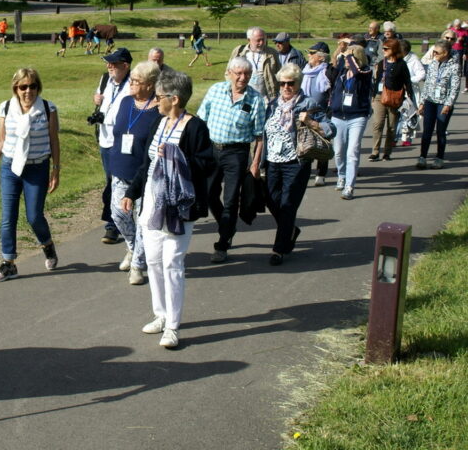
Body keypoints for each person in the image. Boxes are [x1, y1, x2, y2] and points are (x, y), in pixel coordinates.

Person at [123, 70, 214, 349]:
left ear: (174, 99)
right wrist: (131, 193)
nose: (156, 101)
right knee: (152, 260)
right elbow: (146, 164)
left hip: (178, 205)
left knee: (172, 262)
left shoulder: (196, 127)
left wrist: (176, 157)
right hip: (152, 201)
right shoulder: (158, 123)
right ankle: (160, 315)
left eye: (160, 97)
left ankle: (173, 326)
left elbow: (207, 165)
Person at [0, 68, 61, 282]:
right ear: (16, 88)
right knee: (8, 217)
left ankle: (48, 245)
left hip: (37, 167)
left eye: (33, 86)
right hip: (10, 168)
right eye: (23, 86)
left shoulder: (47, 108)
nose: (28, 91)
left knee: (34, 216)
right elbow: (1, 140)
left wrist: (56, 169)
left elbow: (54, 140)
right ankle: (8, 263)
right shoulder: (6, 108)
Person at [262, 64, 335, 265]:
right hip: (272, 161)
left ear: (298, 83)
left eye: (290, 83)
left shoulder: (308, 103)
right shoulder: (272, 104)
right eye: (282, 83)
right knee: (271, 199)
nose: (286, 87)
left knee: (288, 205)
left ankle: (279, 249)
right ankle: (291, 230)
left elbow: (331, 129)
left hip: (297, 161)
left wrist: (311, 122)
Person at [195, 57, 265, 263]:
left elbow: (260, 135)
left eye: (247, 74)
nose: (243, 78)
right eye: (239, 74)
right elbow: (201, 120)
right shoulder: (216, 90)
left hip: (237, 153)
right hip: (212, 149)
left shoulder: (256, 100)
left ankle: (223, 243)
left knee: (231, 199)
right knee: (208, 194)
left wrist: (255, 164)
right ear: (229, 73)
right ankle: (226, 225)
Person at [108, 61, 161, 283]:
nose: (131, 83)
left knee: (142, 221)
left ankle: (138, 266)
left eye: (137, 81)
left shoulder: (158, 110)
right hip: (120, 168)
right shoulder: (126, 102)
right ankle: (133, 248)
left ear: (150, 85)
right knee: (118, 214)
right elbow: (118, 132)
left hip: (144, 174)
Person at [94, 48, 134, 244]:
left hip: (124, 143)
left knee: (117, 182)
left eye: (113, 63)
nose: (109, 66)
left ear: (125, 66)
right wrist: (97, 101)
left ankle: (113, 225)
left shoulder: (134, 84)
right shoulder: (105, 80)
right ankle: (115, 222)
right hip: (105, 140)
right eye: (108, 63)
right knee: (111, 181)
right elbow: (100, 100)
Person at [330, 42, 372, 200]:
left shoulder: (365, 73)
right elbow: (335, 63)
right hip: (338, 116)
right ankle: (341, 175)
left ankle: (349, 186)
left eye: (350, 57)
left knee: (352, 151)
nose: (346, 60)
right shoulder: (342, 71)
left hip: (357, 117)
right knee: (339, 151)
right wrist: (339, 50)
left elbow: (357, 70)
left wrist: (349, 53)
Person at [368, 39, 416, 162]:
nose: (383, 51)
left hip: (394, 97)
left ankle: (387, 152)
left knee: (391, 127)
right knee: (377, 124)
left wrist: (410, 98)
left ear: (393, 50)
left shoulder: (401, 64)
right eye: (383, 48)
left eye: (386, 49)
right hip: (379, 97)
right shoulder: (381, 63)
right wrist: (372, 95)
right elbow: (375, 80)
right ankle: (375, 151)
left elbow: (407, 81)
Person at [417, 40, 459, 169]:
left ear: (445, 53)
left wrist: (448, 104)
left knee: (440, 131)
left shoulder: (454, 66)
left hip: (443, 102)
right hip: (430, 101)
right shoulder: (433, 63)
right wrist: (422, 102)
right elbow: (427, 83)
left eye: (437, 52)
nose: (434, 54)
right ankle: (422, 157)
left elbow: (455, 87)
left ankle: (439, 158)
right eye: (433, 51)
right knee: (427, 131)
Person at [302, 42, 334, 186]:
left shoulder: (328, 72)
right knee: (305, 143)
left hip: (322, 114)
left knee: (322, 143)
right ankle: (305, 171)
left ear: (321, 57)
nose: (309, 55)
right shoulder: (305, 71)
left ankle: (321, 173)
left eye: (312, 53)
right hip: (305, 113)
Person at [229, 27, 282, 102]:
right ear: (249, 40)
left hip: (266, 98)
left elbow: (280, 75)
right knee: (245, 112)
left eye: (263, 40)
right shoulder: (239, 51)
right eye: (258, 40)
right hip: (243, 96)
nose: (261, 43)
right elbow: (228, 72)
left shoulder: (272, 53)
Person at [398, 39, 426, 146]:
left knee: (409, 114)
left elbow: (422, 74)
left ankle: (407, 138)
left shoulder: (414, 60)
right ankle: (397, 136)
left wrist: (409, 80)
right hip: (398, 90)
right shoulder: (397, 59)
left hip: (410, 91)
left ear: (403, 51)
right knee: (399, 114)